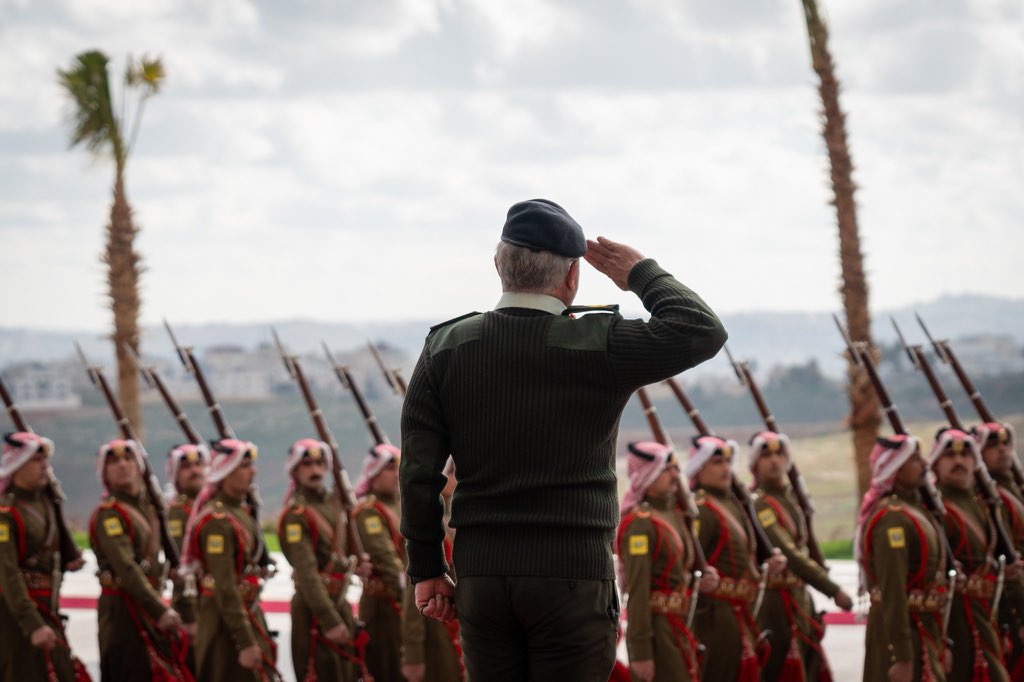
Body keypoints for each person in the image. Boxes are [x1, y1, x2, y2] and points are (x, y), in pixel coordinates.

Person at [401, 198, 728, 680]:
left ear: (498, 265)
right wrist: (641, 273)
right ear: (573, 276)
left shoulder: (448, 345)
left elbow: (418, 472)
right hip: (572, 574)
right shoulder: (599, 341)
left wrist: (427, 566)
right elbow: (701, 330)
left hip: (482, 577)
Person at [748, 431, 852, 681]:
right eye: (766, 455)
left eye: (779, 454)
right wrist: (832, 588)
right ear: (754, 464)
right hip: (775, 607)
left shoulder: (790, 500)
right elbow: (790, 555)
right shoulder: (762, 504)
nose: (774, 460)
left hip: (799, 601)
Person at [617, 441, 720, 682]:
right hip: (658, 633)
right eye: (666, 469)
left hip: (681, 626)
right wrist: (641, 652)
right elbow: (639, 592)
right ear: (647, 474)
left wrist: (701, 580)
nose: (676, 474)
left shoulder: (676, 515)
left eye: (675, 468)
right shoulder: (640, 523)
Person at [88, 438, 190, 681]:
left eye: (128, 459)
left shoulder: (149, 508)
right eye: (113, 462)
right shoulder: (110, 514)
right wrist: (159, 609)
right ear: (104, 472)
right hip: (124, 611)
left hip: (147, 604)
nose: (122, 465)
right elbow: (127, 568)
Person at [688, 434, 786, 682]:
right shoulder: (702, 508)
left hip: (741, 611)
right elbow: (689, 563)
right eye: (717, 462)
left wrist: (766, 563)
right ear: (699, 468)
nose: (726, 469)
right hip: (714, 616)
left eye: (728, 462)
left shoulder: (732, 502)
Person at [180, 438, 279, 681]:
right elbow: (225, 587)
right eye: (244, 465)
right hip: (225, 627)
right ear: (226, 471)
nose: (252, 471)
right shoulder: (217, 520)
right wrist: (245, 642)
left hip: (247, 615)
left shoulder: (239, 511)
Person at [857, 435, 949, 682]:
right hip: (901, 633)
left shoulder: (915, 511)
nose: (924, 464)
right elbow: (893, 592)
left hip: (923, 627)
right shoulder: (892, 519)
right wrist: (902, 656)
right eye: (914, 459)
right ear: (894, 468)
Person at [278, 438, 370, 682]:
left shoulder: (336, 503)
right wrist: (330, 619)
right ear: (295, 470)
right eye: (307, 464)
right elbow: (308, 575)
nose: (315, 470)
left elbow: (345, 550)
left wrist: (361, 562)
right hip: (314, 611)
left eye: (320, 463)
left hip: (339, 603)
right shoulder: (296, 515)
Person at [0, 432, 89, 681]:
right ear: (17, 464)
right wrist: (33, 623)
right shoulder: (6, 513)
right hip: (17, 617)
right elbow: (8, 573)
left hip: (49, 610)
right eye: (36, 460)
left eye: (45, 460)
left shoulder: (46, 504)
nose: (44, 466)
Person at [929, 428, 1011, 682]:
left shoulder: (982, 503)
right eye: (949, 456)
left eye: (965, 455)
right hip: (954, 617)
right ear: (936, 462)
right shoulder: (936, 508)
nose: (958, 461)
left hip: (988, 612)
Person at [401, 456, 464, 682]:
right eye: (454, 473)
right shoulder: (434, 532)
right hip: (441, 631)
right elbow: (413, 600)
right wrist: (413, 655)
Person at [974, 422, 1024, 678]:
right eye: (993, 446)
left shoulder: (1013, 488)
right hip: (1008, 604)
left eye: (1006, 444)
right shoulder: (990, 500)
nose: (1003, 450)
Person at [354, 443, 406, 682]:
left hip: (402, 601)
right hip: (383, 606)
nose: (397, 473)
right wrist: (409, 594)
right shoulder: (369, 511)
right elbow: (384, 557)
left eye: (398, 467)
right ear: (374, 472)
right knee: (387, 669)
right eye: (389, 469)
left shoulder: (399, 506)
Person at [166, 442, 209, 673]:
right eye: (186, 466)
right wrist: (190, 617)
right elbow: (183, 571)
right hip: (195, 608)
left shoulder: (209, 508)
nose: (195, 470)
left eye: (199, 464)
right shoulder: (178, 513)